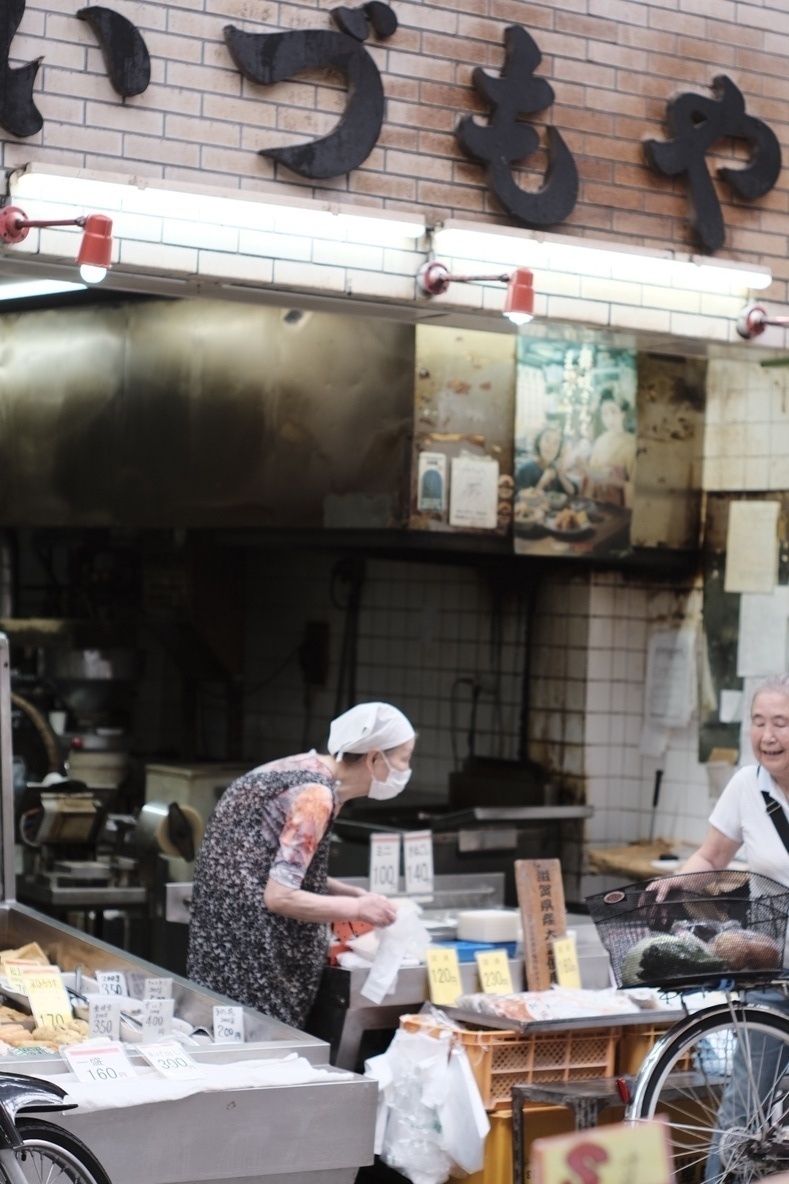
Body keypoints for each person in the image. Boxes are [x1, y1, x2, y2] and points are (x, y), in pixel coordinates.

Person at [186, 701, 416, 1029]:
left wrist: (344, 892)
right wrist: (358, 907)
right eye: (404, 760)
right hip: (254, 965)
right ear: (375, 757)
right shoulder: (315, 796)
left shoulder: (299, 768)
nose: (406, 771)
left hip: (221, 950)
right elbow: (279, 896)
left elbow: (268, 862)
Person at [666, 674, 789, 1181]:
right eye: (758, 722)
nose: (767, 735)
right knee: (746, 1105)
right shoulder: (747, 785)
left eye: (780, 723)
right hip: (770, 958)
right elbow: (712, 856)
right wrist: (671, 886)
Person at [583, 391, 636, 507]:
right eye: (605, 414)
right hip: (600, 503)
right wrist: (587, 499)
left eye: (613, 412)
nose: (609, 418)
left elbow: (637, 486)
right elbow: (592, 474)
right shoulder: (600, 441)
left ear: (623, 413)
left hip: (622, 506)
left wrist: (617, 483)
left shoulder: (633, 443)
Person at [515, 425, 578, 496]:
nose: (550, 446)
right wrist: (543, 481)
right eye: (547, 440)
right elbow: (520, 502)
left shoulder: (554, 467)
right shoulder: (525, 469)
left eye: (556, 443)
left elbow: (571, 491)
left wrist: (560, 474)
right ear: (539, 442)